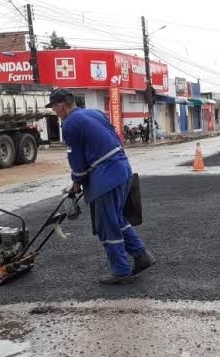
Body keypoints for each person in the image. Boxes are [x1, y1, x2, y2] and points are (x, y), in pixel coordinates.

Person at [48, 88, 156, 285]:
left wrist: (76, 184)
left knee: (106, 224)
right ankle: (142, 255)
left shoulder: (70, 124)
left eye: (54, 108)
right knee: (117, 218)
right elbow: (113, 138)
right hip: (123, 170)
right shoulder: (95, 113)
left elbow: (77, 161)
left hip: (105, 177)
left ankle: (121, 271)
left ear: (61, 105)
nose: (55, 112)